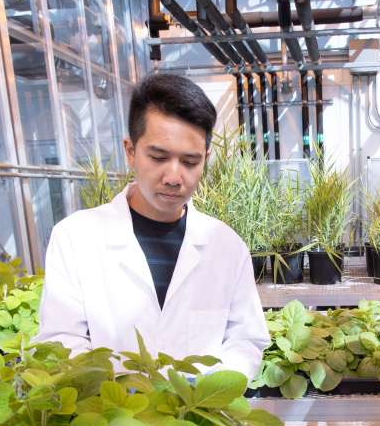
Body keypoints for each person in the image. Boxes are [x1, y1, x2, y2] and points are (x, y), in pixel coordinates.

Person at [36, 73, 268, 377]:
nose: (174, 177)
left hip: (199, 421)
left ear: (205, 158)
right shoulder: (76, 238)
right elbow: (61, 340)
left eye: (190, 162)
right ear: (130, 151)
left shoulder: (225, 246)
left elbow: (246, 340)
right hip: (115, 418)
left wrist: (206, 387)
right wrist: (124, 390)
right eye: (158, 157)